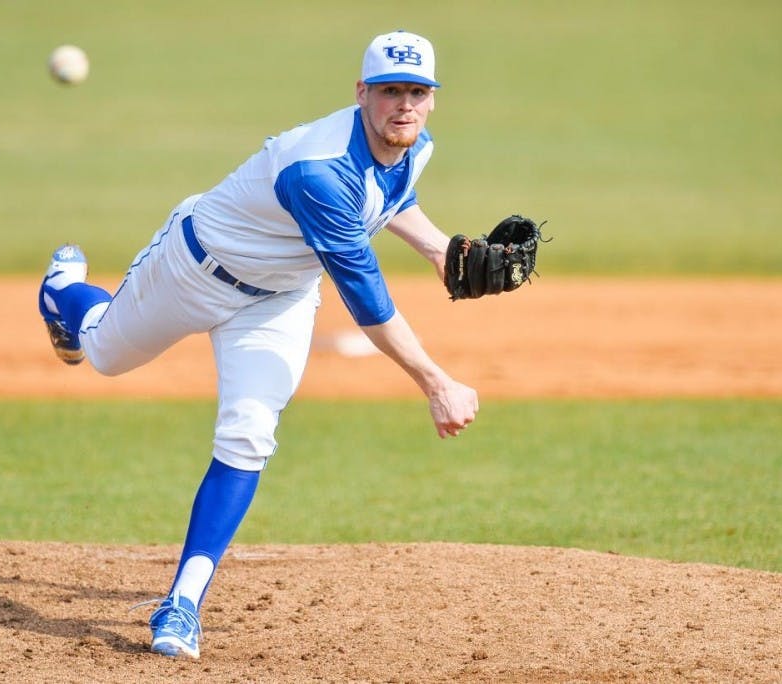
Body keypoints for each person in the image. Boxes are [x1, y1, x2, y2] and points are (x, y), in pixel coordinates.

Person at [38, 30, 479, 659]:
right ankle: (62, 291)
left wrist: (438, 250)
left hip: (279, 298)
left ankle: (181, 605)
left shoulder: (416, 144)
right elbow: (368, 301)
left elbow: (391, 197)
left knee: (248, 430)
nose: (403, 105)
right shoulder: (319, 171)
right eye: (389, 92)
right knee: (104, 354)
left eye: (416, 92)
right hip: (193, 268)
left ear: (431, 100)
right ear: (361, 94)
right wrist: (437, 382)